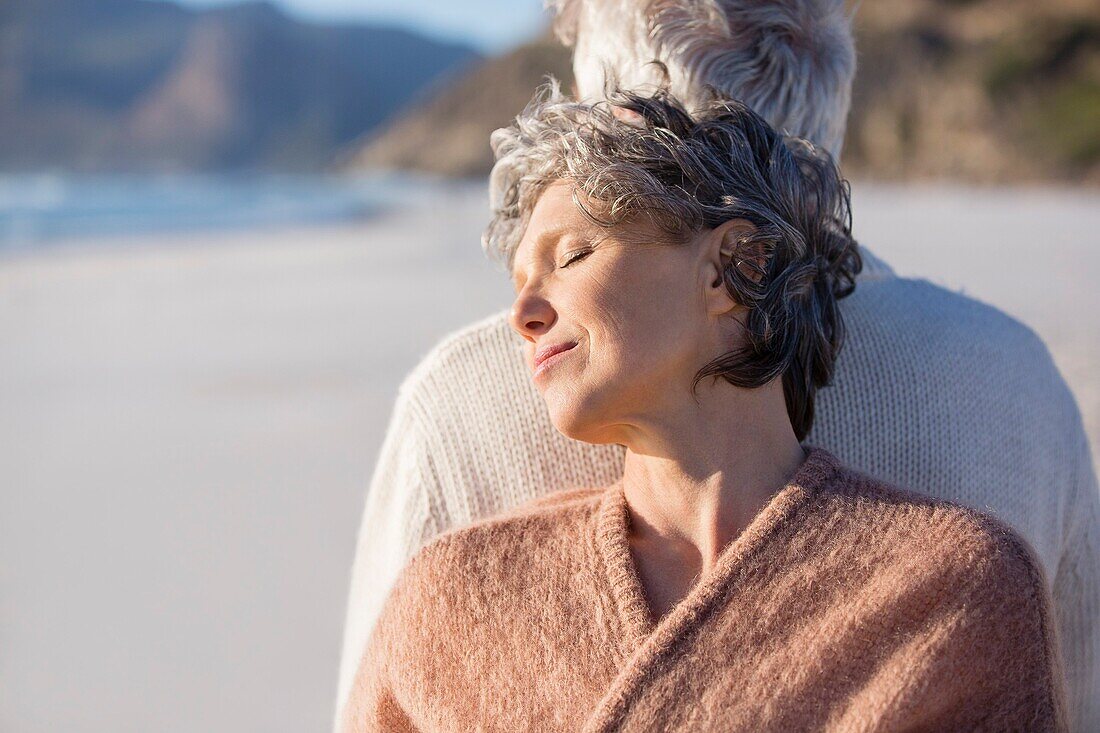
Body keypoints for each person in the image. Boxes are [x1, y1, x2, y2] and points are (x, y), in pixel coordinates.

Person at [334, 1, 1099, 729]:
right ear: (835, 90)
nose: (525, 314)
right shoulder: (1012, 378)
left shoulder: (461, 397)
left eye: (576, 251)